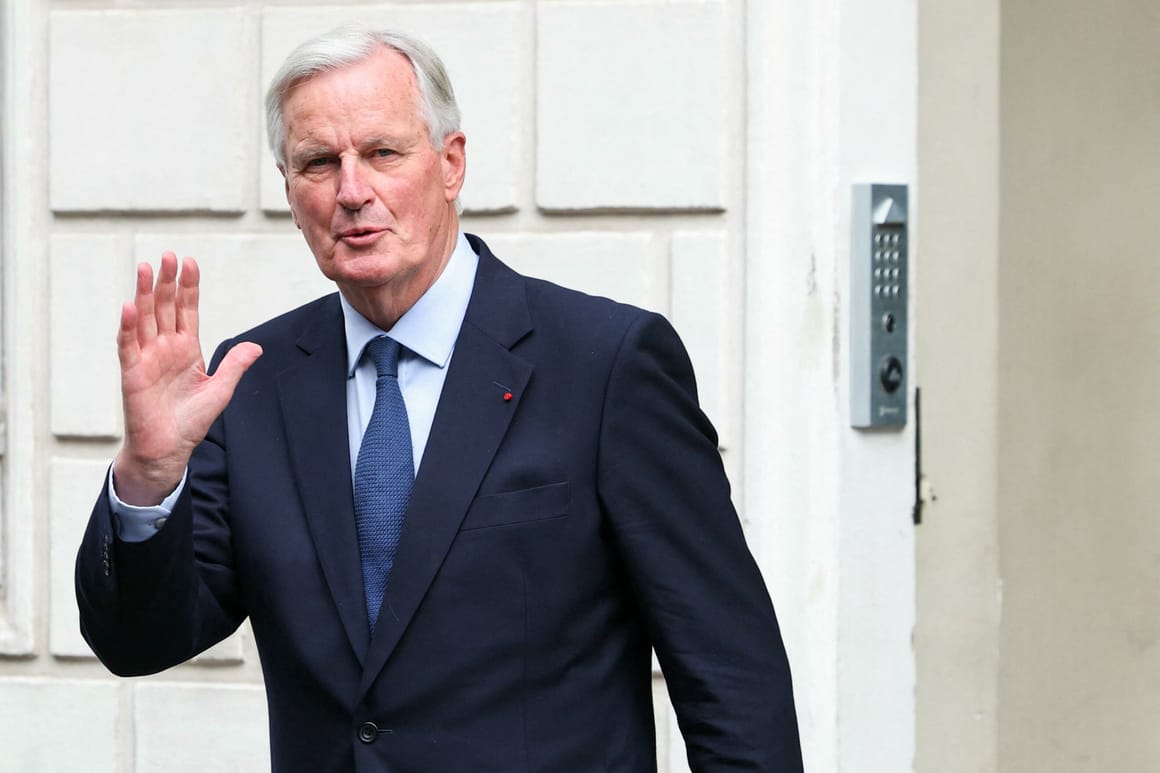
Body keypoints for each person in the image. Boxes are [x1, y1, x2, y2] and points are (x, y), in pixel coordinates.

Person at [75, 24, 803, 772]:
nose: (352, 191)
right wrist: (149, 478)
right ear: (290, 194)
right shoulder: (251, 380)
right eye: (319, 163)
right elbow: (140, 643)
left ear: (451, 164)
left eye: (383, 153)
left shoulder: (605, 365)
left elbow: (730, 676)